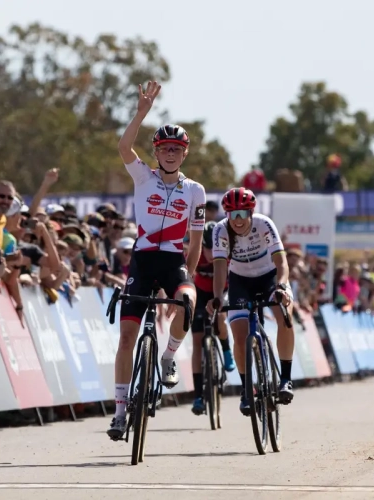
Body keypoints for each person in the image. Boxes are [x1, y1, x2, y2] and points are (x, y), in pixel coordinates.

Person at [107, 80, 206, 441]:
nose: (169, 153)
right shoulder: (143, 177)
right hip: (143, 261)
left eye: (175, 149)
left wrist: (189, 277)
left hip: (171, 262)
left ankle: (169, 356)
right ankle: (119, 413)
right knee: (126, 338)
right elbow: (122, 146)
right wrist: (141, 113)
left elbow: (195, 240)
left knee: (188, 300)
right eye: (163, 147)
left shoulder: (195, 191)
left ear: (184, 154)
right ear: (156, 151)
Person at [206, 187, 295, 416]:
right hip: (240, 281)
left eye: (242, 214)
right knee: (239, 333)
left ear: (251, 213)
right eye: (232, 214)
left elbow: (281, 263)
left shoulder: (264, 224)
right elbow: (219, 267)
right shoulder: (220, 231)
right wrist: (216, 297)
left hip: (269, 277)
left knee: (285, 315)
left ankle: (285, 378)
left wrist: (282, 286)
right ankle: (247, 390)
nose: (237, 220)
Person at [190, 220, 235, 416]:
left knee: (221, 319)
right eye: (206, 248)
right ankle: (198, 395)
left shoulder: (226, 255)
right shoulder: (196, 255)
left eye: (212, 248)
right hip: (200, 293)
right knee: (197, 342)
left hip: (221, 292)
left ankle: (226, 350)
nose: (209, 253)